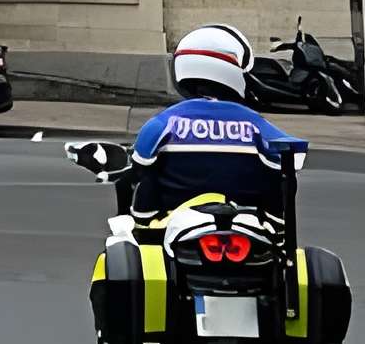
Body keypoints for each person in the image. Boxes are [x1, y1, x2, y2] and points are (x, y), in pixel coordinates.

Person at [128, 24, 301, 218]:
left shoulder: (164, 121)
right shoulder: (255, 123)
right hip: (246, 224)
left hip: (173, 223)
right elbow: (292, 158)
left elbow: (140, 164)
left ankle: (143, 230)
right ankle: (275, 229)